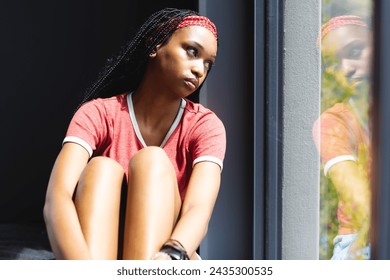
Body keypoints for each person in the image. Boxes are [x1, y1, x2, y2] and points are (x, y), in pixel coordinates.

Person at [43, 7, 226, 260]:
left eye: (208, 64)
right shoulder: (98, 113)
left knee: (152, 160)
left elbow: (199, 209)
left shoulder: (205, 126)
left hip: (167, 258)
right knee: (100, 168)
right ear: (154, 46)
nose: (199, 70)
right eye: (192, 51)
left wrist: (171, 254)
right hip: (95, 256)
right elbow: (58, 196)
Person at [313, 15, 372, 260]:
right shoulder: (333, 122)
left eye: (356, 51)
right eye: (334, 64)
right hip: (362, 240)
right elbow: (357, 198)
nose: (347, 68)